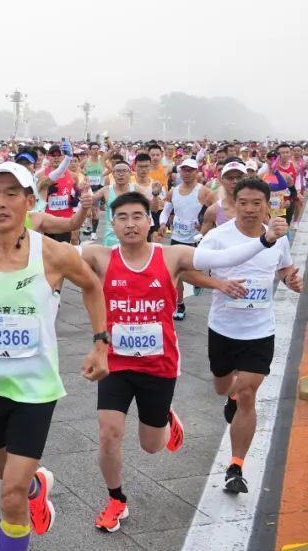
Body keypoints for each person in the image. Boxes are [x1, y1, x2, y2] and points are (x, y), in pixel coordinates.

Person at [77, 190, 289, 532]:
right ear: (112, 224)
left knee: (151, 446)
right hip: (115, 363)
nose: (130, 224)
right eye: (122, 218)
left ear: (150, 221)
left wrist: (265, 240)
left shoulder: (172, 255)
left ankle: (165, 418)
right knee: (108, 433)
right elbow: (51, 251)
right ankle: (116, 499)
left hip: (159, 366)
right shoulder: (99, 256)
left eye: (137, 216)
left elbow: (223, 257)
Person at [0, 162, 110, 550]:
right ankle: (35, 486)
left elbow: (93, 286)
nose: (0, 202)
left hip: (36, 387)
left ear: (29, 202)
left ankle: (23, 499)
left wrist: (100, 343)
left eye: (11, 194)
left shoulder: (54, 253)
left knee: (9, 495)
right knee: (5, 474)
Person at [183, 177, 301, 495]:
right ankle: (230, 395)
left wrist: (290, 280)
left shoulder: (278, 238)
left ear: (267, 205)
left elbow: (283, 269)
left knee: (249, 393)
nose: (249, 209)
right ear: (234, 204)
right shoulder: (218, 238)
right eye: (243, 203)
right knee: (223, 387)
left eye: (256, 203)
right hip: (223, 329)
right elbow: (189, 271)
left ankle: (236, 467)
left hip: (260, 331)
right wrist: (219, 284)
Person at [157, 158, 213, 320]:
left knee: (194, 272)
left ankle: (197, 281)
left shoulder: (204, 192)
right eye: (184, 170)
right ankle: (179, 304)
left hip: (195, 239)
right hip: (176, 238)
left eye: (190, 170)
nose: (187, 173)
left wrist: (203, 225)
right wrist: (162, 224)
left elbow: (213, 212)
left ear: (197, 172)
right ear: (180, 172)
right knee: (177, 273)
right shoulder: (173, 191)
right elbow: (166, 211)